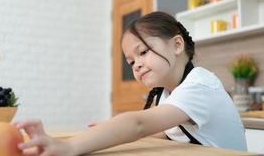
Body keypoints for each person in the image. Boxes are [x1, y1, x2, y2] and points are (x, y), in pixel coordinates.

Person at [16, 11, 247, 156]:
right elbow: (164, 132)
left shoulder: (199, 86)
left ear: (177, 45)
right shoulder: (168, 93)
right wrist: (109, 131)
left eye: (143, 52)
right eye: (131, 61)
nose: (136, 65)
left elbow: (139, 124)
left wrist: (68, 147)